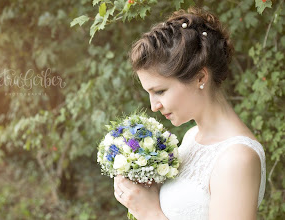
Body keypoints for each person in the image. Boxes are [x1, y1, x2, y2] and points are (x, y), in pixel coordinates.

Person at [113, 7, 266, 220]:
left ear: (200, 77)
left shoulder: (237, 158)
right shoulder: (192, 136)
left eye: (160, 91)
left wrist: (149, 213)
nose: (154, 105)